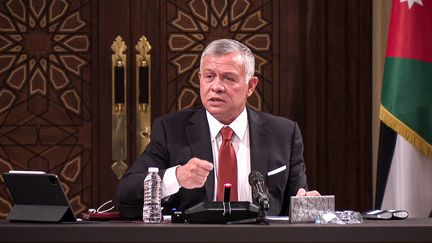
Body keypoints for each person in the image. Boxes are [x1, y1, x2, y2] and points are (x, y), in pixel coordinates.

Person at [116, 39, 319, 218]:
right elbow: (125, 193)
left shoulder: (283, 133)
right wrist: (176, 177)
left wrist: (306, 202)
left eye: (228, 78)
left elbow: (297, 199)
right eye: (209, 76)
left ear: (251, 86)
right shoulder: (172, 130)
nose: (216, 86)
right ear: (199, 79)